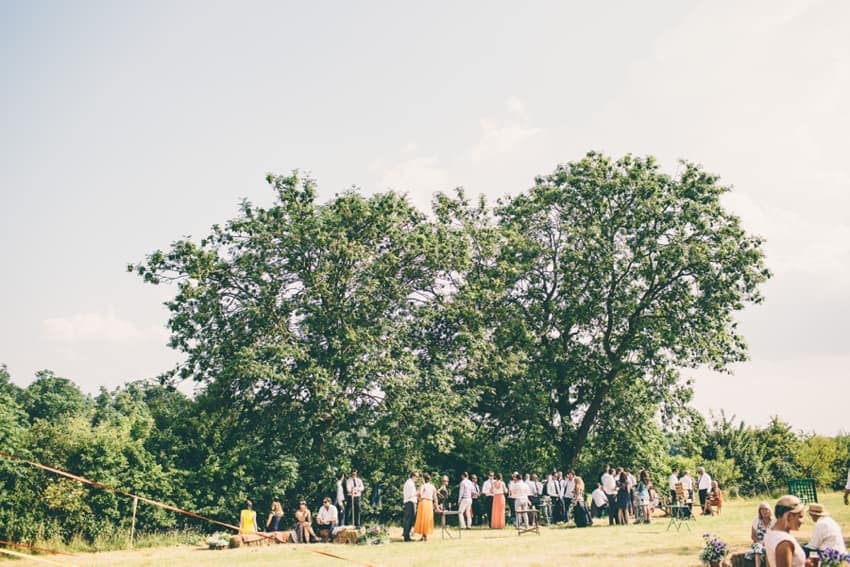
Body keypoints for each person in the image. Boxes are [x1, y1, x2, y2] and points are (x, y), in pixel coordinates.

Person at [764, 495, 812, 567]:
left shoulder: (770, 532)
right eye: (800, 516)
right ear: (789, 516)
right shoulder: (784, 542)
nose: (802, 521)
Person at [745, 502, 774, 567]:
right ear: (759, 511)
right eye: (762, 509)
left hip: (771, 543)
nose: (764, 511)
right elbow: (753, 536)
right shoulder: (756, 520)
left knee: (768, 549)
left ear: (770, 510)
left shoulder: (774, 521)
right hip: (759, 542)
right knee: (758, 547)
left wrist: (767, 542)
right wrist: (759, 542)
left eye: (766, 509)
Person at [414, 472, 436, 541]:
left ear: (423, 479)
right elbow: (435, 497)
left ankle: (424, 535)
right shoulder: (432, 486)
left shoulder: (423, 486)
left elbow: (420, 494)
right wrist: (436, 505)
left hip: (423, 502)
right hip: (430, 503)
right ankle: (424, 535)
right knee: (427, 518)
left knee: (422, 519)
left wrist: (417, 496)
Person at [402, 471, 418, 542]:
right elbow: (411, 494)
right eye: (417, 476)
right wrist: (418, 492)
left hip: (410, 502)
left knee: (409, 519)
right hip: (410, 502)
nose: (417, 478)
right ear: (413, 476)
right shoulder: (410, 483)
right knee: (409, 519)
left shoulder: (409, 482)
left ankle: (406, 535)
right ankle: (406, 537)